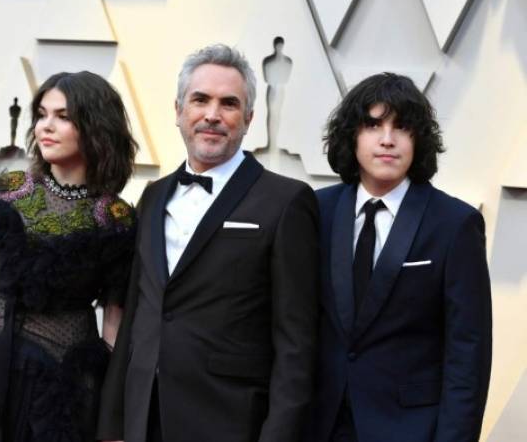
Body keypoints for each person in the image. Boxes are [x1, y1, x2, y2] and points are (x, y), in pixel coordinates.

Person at [97, 44, 319, 442]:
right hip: (143, 417)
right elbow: (136, 316)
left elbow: (296, 343)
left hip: (230, 421)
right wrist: (113, 423)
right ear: (179, 111)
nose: (212, 115)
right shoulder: (152, 196)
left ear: (249, 118)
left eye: (229, 104)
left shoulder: (286, 201)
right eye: (200, 100)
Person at [0, 71, 138, 441]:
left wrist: (113, 421)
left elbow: (114, 328)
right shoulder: (6, 193)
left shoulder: (115, 218)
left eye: (63, 116)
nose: (46, 127)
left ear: (95, 127)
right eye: (41, 114)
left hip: (60, 395)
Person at [308, 73, 492, 442]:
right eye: (373, 124)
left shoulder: (455, 224)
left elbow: (467, 357)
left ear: (418, 139)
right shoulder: (316, 210)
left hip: (409, 429)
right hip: (319, 423)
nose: (388, 139)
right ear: (352, 135)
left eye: (402, 127)